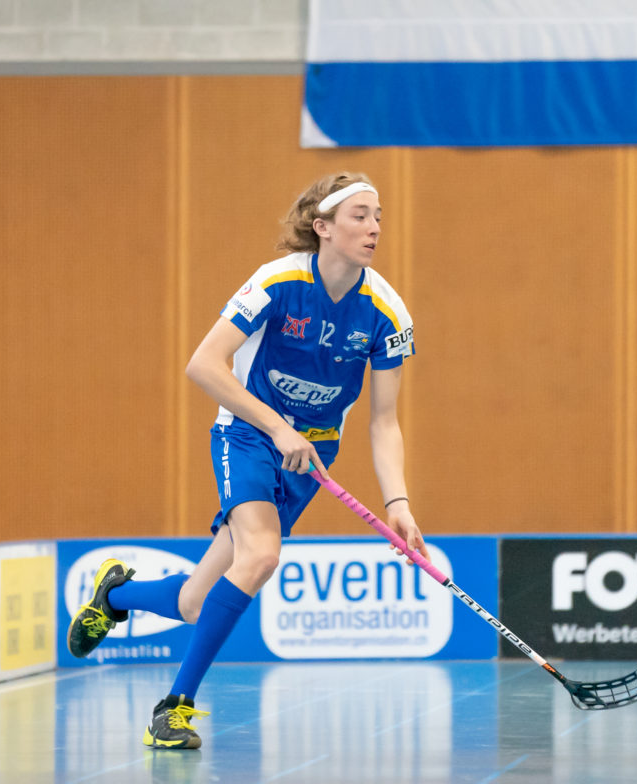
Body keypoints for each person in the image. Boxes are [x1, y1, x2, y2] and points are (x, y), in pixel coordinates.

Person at [66, 172, 427, 750]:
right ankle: (173, 709)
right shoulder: (277, 282)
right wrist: (279, 427)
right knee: (260, 556)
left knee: (191, 603)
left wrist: (399, 502)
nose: (374, 226)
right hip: (250, 434)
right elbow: (204, 364)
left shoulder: (387, 313)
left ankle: (115, 596)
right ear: (324, 227)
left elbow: (383, 421)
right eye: (360, 215)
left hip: (311, 454)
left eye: (378, 215)